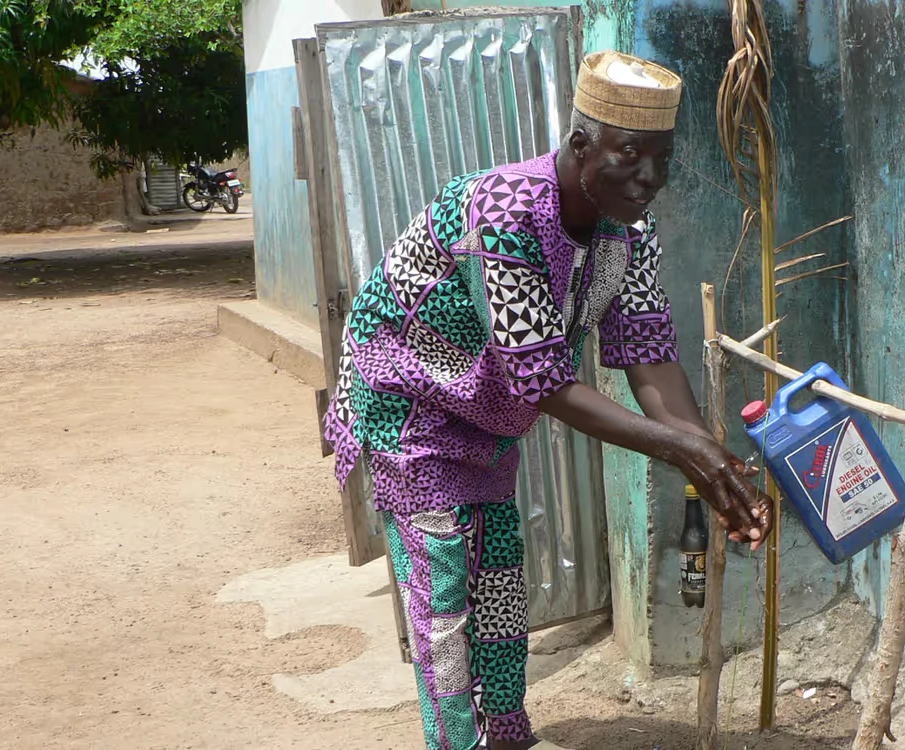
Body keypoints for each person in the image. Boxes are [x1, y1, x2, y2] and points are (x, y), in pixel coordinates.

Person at [323, 50, 771, 750]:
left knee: (499, 575)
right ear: (581, 142)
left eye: (662, 159)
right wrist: (683, 449)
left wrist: (710, 463)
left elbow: (648, 353)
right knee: (445, 601)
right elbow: (543, 379)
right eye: (631, 155)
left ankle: (506, 733)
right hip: (409, 405)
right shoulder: (504, 211)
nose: (649, 178)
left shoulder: (629, 230)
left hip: (483, 411)